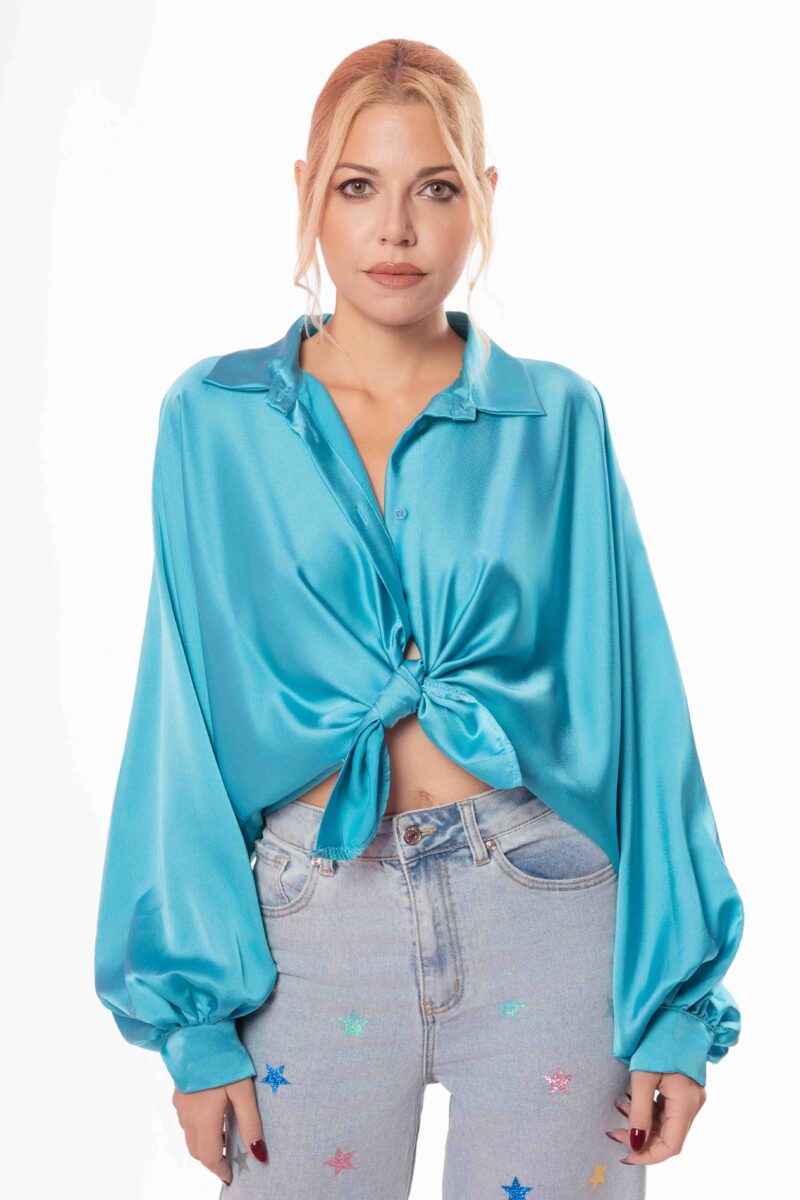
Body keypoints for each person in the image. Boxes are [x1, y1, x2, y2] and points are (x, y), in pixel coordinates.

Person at [93, 38, 744, 1199]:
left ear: (481, 198)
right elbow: (179, 716)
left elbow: (638, 710)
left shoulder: (553, 419)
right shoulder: (215, 418)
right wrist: (192, 1022)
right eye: (358, 186)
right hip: (306, 926)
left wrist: (673, 1011)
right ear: (307, 192)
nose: (394, 229)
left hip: (544, 907)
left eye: (433, 188)